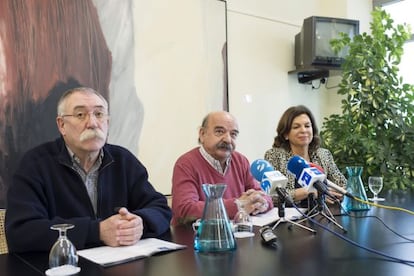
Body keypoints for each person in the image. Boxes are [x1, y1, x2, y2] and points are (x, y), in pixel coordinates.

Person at [5, 87, 171, 253]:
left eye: (99, 114)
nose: (92, 123)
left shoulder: (123, 160)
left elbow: (160, 208)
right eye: (80, 115)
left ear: (107, 122)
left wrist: (141, 223)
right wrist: (96, 231)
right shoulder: (35, 164)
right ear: (61, 125)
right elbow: (21, 232)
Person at [171, 111, 273, 226]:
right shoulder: (186, 163)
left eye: (233, 134)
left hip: (240, 235)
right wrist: (239, 205)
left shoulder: (241, 161)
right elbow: (184, 209)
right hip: (198, 238)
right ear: (202, 134)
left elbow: (262, 195)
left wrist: (261, 203)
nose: (228, 139)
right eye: (219, 132)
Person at [264, 105, 346, 207]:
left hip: (323, 215)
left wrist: (336, 194)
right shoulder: (274, 156)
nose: (303, 130)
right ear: (286, 134)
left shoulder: (323, 154)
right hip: (291, 219)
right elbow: (272, 197)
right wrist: (311, 192)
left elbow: (342, 185)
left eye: (307, 126)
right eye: (296, 127)